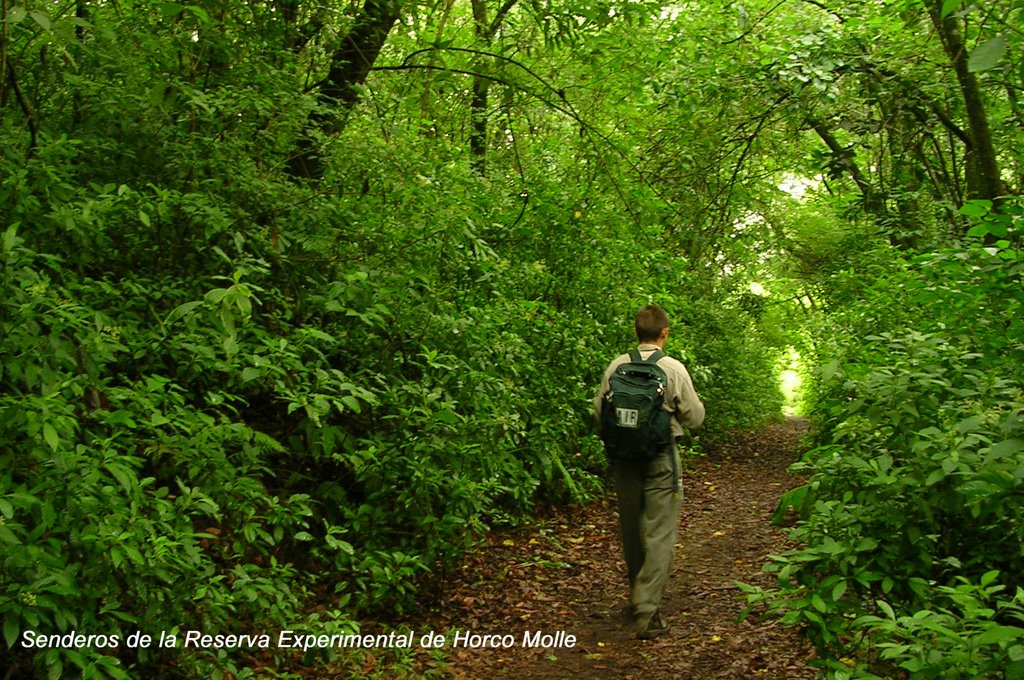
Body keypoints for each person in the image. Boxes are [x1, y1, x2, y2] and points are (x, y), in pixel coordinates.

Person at [594, 304, 705, 639]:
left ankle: (635, 595)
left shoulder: (617, 364)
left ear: (635, 331)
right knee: (659, 533)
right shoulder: (673, 368)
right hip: (660, 458)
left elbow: (599, 412)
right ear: (664, 333)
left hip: (623, 460)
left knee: (632, 529)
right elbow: (694, 417)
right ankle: (646, 609)